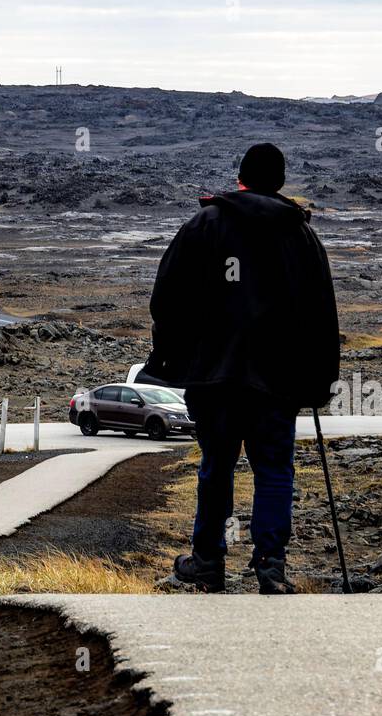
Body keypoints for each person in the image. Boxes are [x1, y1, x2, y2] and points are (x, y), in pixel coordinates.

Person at [145, 142, 339, 593]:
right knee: (275, 470)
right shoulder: (302, 236)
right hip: (279, 382)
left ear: (240, 179)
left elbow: (166, 299)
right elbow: (321, 317)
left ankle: (208, 560)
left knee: (217, 466)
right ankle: (271, 566)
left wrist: (171, 358)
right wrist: (320, 381)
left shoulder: (205, 225)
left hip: (216, 378)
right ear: (281, 183)